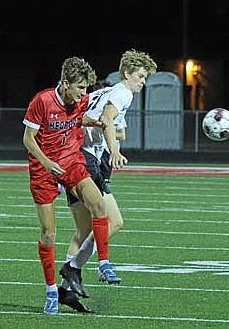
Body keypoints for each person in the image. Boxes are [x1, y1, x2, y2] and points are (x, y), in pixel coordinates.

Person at [57, 49, 157, 311]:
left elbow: (107, 124)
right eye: (141, 76)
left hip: (75, 157)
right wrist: (114, 149)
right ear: (127, 74)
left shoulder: (105, 92)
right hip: (88, 160)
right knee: (114, 221)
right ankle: (78, 268)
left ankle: (64, 291)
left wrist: (111, 134)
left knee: (83, 231)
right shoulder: (122, 92)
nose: (143, 82)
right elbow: (108, 121)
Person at [22, 56, 120, 315]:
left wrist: (96, 122)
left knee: (98, 203)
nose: (83, 94)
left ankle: (104, 263)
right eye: (79, 88)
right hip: (43, 170)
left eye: (86, 88)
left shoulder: (82, 101)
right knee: (48, 233)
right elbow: (28, 139)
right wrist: (46, 162)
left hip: (72, 161)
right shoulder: (42, 101)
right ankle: (52, 291)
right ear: (65, 83)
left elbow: (79, 118)